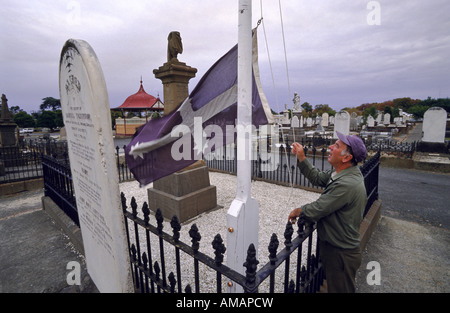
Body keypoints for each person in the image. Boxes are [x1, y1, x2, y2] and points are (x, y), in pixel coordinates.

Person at [288, 131, 368, 293]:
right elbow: (317, 177)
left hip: (342, 254)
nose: (330, 147)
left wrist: (298, 211)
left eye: (337, 146)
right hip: (335, 249)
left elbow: (318, 208)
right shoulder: (342, 173)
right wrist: (302, 157)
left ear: (346, 158)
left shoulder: (347, 183)